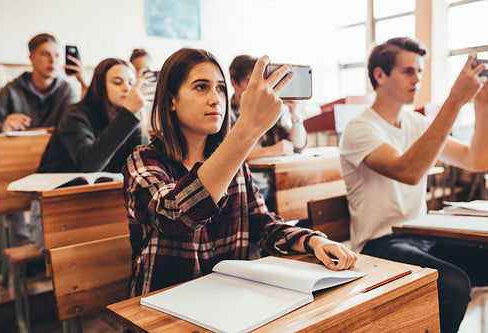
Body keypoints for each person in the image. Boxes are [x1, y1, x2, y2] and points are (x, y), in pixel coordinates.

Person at [123, 48, 357, 297]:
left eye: (221, 88)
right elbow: (175, 216)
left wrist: (312, 241)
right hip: (162, 304)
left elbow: (262, 224)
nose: (215, 99)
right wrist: (248, 127)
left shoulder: (234, 164)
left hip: (228, 299)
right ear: (171, 100)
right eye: (201, 87)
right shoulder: (143, 160)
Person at [339, 37, 488, 333]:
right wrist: (454, 101)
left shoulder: (415, 123)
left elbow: (475, 159)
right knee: (453, 285)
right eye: (408, 71)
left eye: (419, 71)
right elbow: (408, 171)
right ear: (380, 75)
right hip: (378, 242)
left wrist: (482, 104)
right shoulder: (359, 128)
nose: (417, 78)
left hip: (420, 234)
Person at [29, 58, 149, 251]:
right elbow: (90, 165)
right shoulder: (76, 115)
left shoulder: (126, 118)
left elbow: (143, 164)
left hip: (100, 206)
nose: (126, 88)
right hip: (54, 209)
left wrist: (138, 118)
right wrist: (128, 115)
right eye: (117, 82)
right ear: (100, 86)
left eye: (130, 82)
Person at [229, 55, 308, 211]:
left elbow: (298, 145)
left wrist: (295, 113)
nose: (257, 88)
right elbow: (225, 153)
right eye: (250, 81)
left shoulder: (270, 109)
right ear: (234, 83)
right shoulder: (226, 114)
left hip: (274, 186)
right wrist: (273, 151)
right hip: (244, 190)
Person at [0, 33, 87, 133]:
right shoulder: (11, 90)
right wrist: (3, 127)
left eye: (57, 55)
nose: (53, 60)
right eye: (45, 54)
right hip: (21, 147)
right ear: (31, 58)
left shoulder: (66, 90)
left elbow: (78, 125)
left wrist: (84, 84)